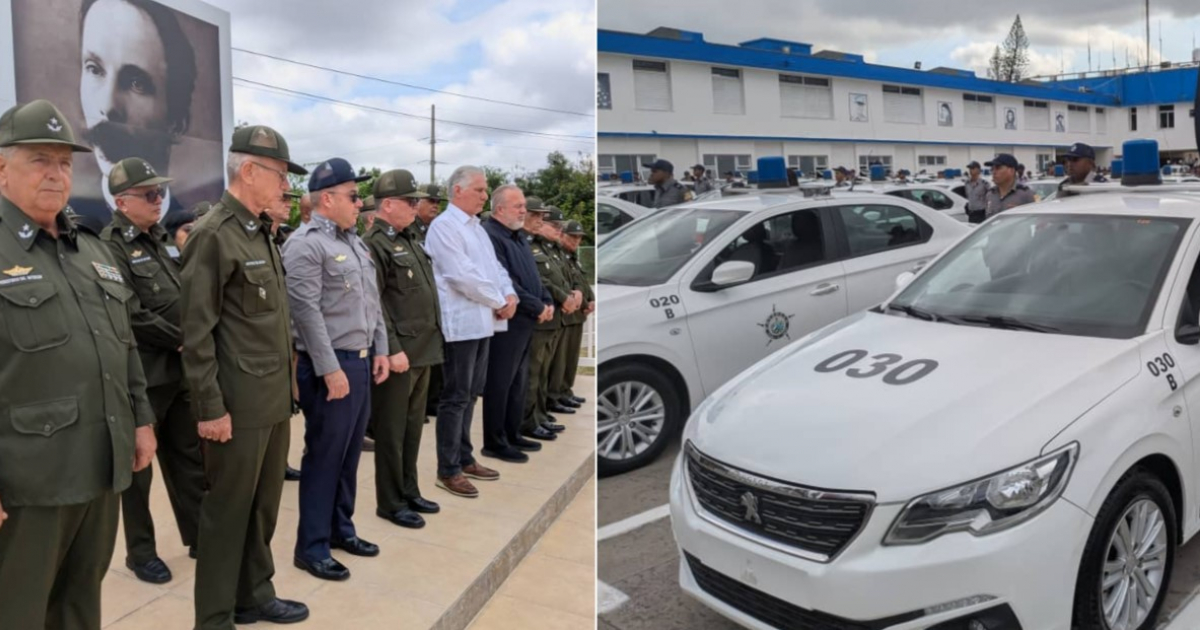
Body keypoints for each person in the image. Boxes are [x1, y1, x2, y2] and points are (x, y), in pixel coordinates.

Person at [0, 98, 156, 630]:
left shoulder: (89, 249)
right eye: (39, 159)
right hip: (29, 483)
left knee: (79, 608)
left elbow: (123, 343)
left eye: (65, 162)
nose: (56, 173)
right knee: (16, 611)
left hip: (99, 466)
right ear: (2, 167)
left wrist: (140, 418)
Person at [181, 124, 310, 628]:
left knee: (262, 510)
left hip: (272, 398)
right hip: (235, 405)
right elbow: (196, 334)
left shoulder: (259, 231)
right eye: (280, 175)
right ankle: (213, 616)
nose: (284, 187)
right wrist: (209, 407)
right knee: (227, 515)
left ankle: (253, 594)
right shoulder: (214, 234)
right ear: (249, 170)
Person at [99, 157, 205, 584]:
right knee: (139, 469)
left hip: (179, 370)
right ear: (123, 201)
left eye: (160, 193)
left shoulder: (161, 240)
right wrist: (180, 338)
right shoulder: (110, 246)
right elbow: (130, 312)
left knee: (187, 457)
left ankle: (200, 533)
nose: (159, 200)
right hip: (144, 373)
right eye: (149, 194)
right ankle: (140, 552)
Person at [282, 158, 387, 582]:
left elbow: (371, 302)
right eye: (353, 195)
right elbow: (305, 312)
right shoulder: (305, 243)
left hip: (359, 361)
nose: (360, 203)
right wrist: (329, 370)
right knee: (324, 457)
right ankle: (311, 547)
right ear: (327, 198)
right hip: (330, 366)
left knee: (347, 458)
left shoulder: (356, 243)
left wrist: (380, 347)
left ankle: (341, 530)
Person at [424, 165, 511, 498]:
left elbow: (494, 268)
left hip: (483, 321)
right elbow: (461, 275)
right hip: (460, 324)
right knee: (455, 397)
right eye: (479, 189)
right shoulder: (445, 227)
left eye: (485, 190)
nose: (485, 195)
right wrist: (498, 299)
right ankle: (448, 470)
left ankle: (464, 457)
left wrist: (509, 294)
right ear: (457, 191)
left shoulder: (477, 228)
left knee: (472, 392)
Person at [364, 169, 444, 529]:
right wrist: (391, 348)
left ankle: (409, 490)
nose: (417, 206)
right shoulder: (375, 244)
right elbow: (375, 303)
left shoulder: (411, 238)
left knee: (413, 428)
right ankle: (390, 501)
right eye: (410, 201)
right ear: (389, 204)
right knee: (392, 433)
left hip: (422, 349)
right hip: (399, 354)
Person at [76, 0, 197, 224]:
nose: (108, 105)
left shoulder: (191, 231)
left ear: (176, 121)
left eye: (136, 83)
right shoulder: (69, 228)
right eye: (94, 69)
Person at [481, 187, 553, 463]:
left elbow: (533, 275)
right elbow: (505, 281)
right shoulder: (491, 236)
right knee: (500, 382)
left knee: (518, 382)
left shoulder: (519, 236)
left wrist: (546, 301)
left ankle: (512, 433)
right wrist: (537, 306)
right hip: (508, 321)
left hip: (526, 320)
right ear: (500, 210)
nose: (524, 211)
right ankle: (495, 442)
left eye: (523, 206)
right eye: (518, 206)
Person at [526, 207, 576, 438]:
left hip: (554, 317)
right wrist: (563, 297)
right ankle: (530, 420)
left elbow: (563, 278)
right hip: (540, 317)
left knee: (543, 372)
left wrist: (571, 296)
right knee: (534, 373)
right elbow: (541, 280)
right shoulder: (531, 247)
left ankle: (540, 415)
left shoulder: (548, 249)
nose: (558, 230)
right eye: (553, 225)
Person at [554, 220, 594, 408]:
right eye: (573, 236)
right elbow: (565, 284)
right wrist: (582, 301)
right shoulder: (559, 256)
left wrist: (590, 299)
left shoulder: (571, 257)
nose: (576, 241)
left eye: (579, 238)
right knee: (560, 360)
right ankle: (556, 394)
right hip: (567, 312)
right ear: (562, 235)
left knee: (571, 358)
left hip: (577, 313)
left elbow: (581, 282)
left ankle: (565, 390)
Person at [984, 154, 1036, 219]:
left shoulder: (1026, 194)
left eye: (998, 168)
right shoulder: (990, 194)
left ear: (1011, 171)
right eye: (992, 169)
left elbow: (1037, 221)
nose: (994, 172)